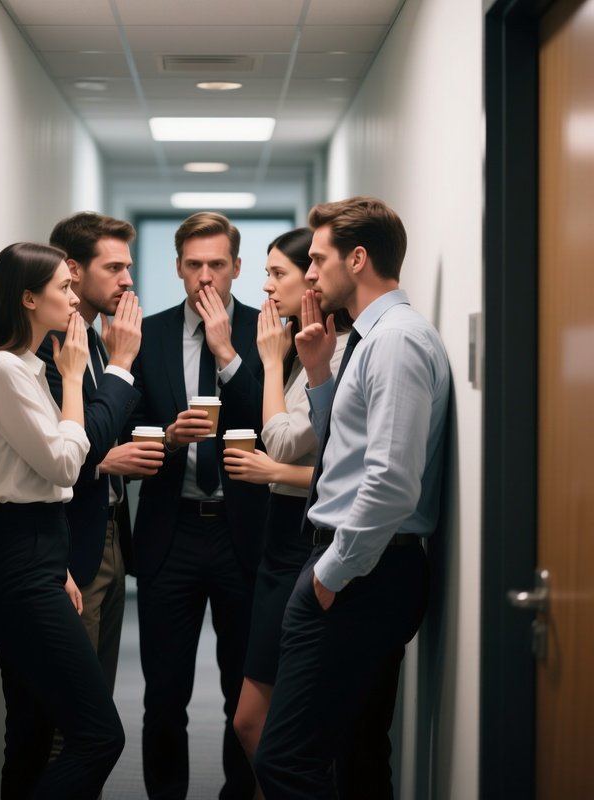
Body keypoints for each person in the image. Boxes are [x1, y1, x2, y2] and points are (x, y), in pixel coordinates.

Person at [253, 197, 450, 799]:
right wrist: (318, 374)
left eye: (317, 260)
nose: (309, 275)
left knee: (284, 762)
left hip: (362, 570)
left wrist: (331, 574)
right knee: (358, 757)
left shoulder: (395, 341)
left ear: (358, 259)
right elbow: (351, 446)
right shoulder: (373, 339)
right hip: (366, 565)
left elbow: (390, 480)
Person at [0, 243, 124, 799]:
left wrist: (58, 564)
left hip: (36, 550)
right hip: (16, 558)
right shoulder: (2, 370)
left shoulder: (26, 368)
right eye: (63, 288)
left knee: (30, 734)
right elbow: (64, 464)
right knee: (101, 736)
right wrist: (75, 379)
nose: (75, 299)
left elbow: (51, 481)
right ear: (28, 299)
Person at [128, 211, 269, 799]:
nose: (205, 276)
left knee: (244, 693)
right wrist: (165, 435)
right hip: (172, 529)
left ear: (238, 267)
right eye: (194, 264)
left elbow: (276, 419)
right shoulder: (149, 336)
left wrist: (226, 352)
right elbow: (120, 427)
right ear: (178, 267)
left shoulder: (271, 330)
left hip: (244, 533)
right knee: (163, 695)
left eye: (218, 264)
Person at [222, 228, 353, 790]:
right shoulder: (311, 347)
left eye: (280, 274)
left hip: (308, 542)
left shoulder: (333, 352)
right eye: (267, 274)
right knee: (254, 719)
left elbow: (284, 445)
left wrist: (271, 361)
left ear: (313, 281)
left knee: (264, 723)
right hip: (280, 541)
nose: (267, 288)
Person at [36, 212, 164, 697]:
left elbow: (107, 429)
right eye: (113, 268)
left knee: (99, 702)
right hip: (71, 543)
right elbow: (73, 442)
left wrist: (163, 438)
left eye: (127, 266)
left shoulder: (95, 336)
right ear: (72, 269)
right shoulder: (50, 345)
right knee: (73, 714)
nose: (128, 279)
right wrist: (125, 361)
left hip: (111, 530)